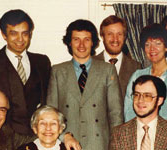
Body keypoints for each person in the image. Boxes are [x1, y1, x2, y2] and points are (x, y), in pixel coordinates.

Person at [47, 19, 123, 150]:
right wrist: (64, 136)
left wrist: (115, 146)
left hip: (99, 144)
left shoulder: (107, 70)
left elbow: (116, 113)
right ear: (69, 42)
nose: (81, 44)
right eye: (76, 39)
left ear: (93, 42)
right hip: (67, 143)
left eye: (87, 39)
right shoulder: (58, 71)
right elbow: (51, 113)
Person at [0, 9, 51, 135]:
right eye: (14, 33)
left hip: (36, 137)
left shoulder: (42, 62)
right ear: (4, 34)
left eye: (25, 33)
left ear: (30, 34)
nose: (20, 39)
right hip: (1, 137)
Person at [124, 23, 167, 126]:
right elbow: (129, 109)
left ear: (166, 47)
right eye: (147, 44)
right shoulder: (137, 75)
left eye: (158, 43)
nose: (152, 49)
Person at [110, 75, 167, 150]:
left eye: (147, 96)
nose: (140, 100)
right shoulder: (119, 133)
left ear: (159, 100)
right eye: (136, 95)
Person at [94, 15, 141, 98]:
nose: (115, 39)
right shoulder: (90, 64)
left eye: (119, 34)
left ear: (124, 37)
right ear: (102, 36)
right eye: (110, 34)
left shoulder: (136, 67)